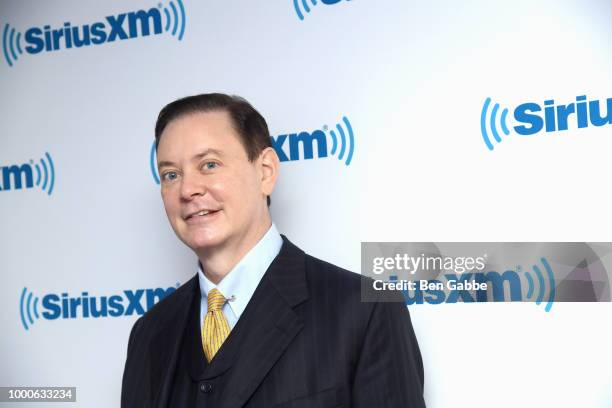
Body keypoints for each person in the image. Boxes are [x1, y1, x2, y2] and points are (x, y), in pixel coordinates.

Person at [121, 93, 426, 407]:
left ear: (265, 171)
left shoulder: (364, 310)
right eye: (171, 175)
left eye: (209, 165)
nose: (188, 190)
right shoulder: (149, 334)